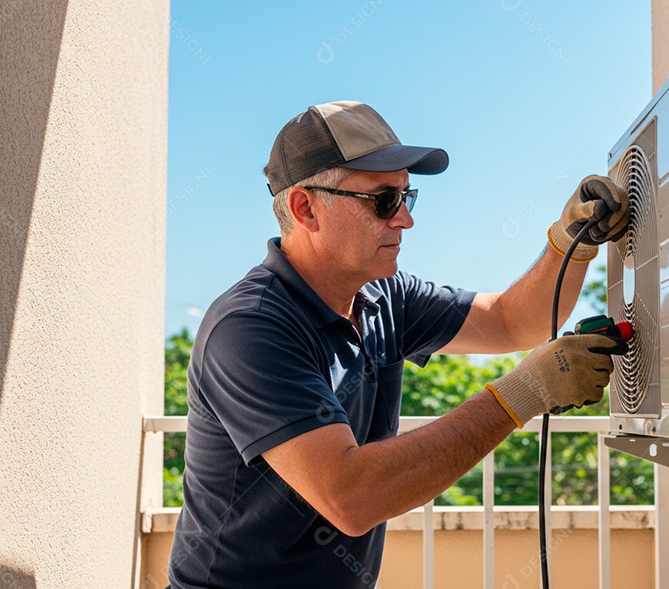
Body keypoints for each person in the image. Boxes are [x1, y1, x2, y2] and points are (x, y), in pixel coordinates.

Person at [166, 100, 629, 588]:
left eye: (408, 197)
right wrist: (522, 395)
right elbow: (351, 496)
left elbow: (511, 322)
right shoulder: (250, 327)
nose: (405, 220)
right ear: (305, 208)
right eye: (383, 201)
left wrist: (568, 242)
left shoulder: (383, 295)